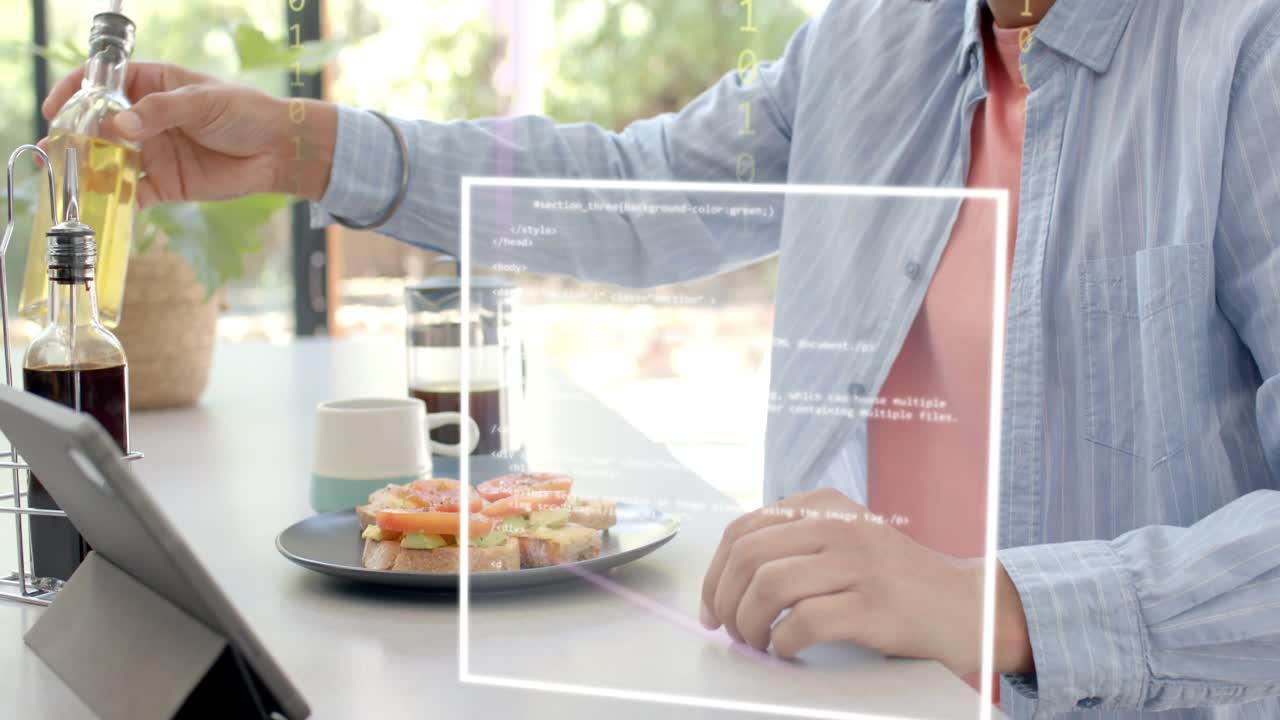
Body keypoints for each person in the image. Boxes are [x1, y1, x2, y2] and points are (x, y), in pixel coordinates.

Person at [40, 0, 1280, 716]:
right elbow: (639, 193)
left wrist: (991, 602)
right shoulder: (873, 36)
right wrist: (309, 151)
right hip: (825, 691)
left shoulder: (1247, 57)